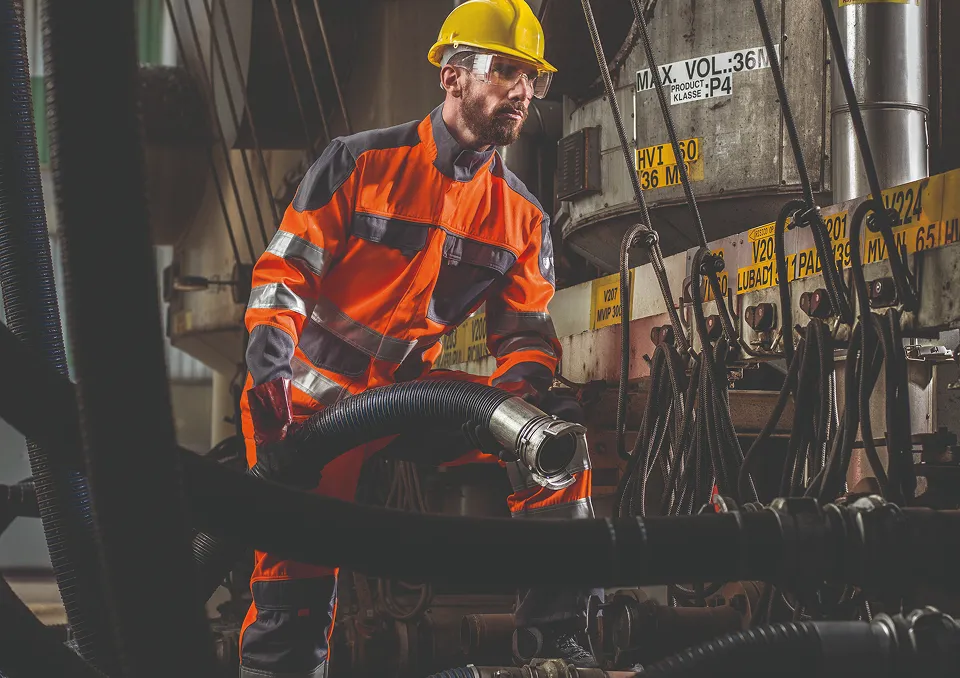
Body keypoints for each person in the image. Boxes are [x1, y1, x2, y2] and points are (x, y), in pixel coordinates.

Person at [237, 1, 600, 675]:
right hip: (307, 404)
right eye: (507, 71)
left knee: (555, 442)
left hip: (411, 400)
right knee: (295, 579)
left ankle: (554, 644)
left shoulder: (521, 215)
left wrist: (524, 392)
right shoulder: (360, 163)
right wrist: (268, 376)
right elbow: (282, 278)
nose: (522, 91)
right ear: (453, 77)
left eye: (534, 80)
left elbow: (524, 331)